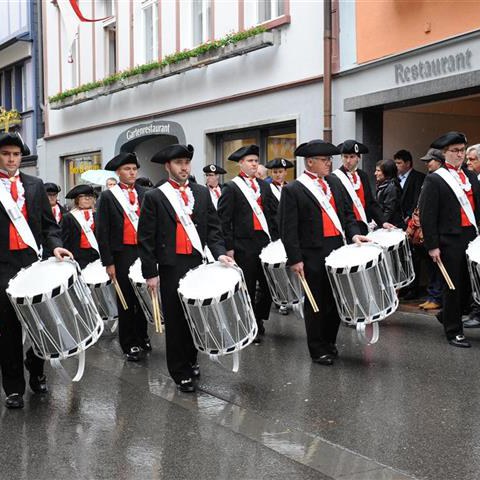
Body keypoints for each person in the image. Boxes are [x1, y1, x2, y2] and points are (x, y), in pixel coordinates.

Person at [138, 144, 234, 393]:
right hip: (171, 266)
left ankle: (191, 360)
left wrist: (220, 253)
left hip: (197, 262)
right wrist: (150, 273)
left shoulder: (201, 193)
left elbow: (214, 229)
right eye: (179, 163)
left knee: (195, 315)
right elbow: (146, 239)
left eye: (187, 163)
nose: (184, 167)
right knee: (176, 320)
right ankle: (179, 371)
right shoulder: (155, 196)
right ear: (168, 166)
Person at [279, 139, 368, 366]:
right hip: (311, 253)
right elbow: (288, 228)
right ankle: (317, 348)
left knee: (335, 300)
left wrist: (354, 234)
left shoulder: (334, 184)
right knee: (316, 302)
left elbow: (347, 215)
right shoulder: (293, 190)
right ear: (310, 162)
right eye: (324, 160)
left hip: (337, 249)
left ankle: (330, 342)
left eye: (330, 159)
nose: (329, 163)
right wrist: (295, 258)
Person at [0, 132, 72, 409]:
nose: (11, 159)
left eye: (16, 155)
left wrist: (55, 246)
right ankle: (14, 388)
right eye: (6, 154)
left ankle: (38, 370)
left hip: (31, 263)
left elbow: (48, 225)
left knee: (40, 320)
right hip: (3, 266)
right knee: (8, 329)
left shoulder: (34, 185)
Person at [419, 131, 480, 348]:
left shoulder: (471, 177)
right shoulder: (435, 179)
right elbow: (427, 215)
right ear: (445, 153)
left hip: (471, 237)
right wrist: (432, 246)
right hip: (449, 240)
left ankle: (447, 315)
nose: (460, 155)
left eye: (462, 151)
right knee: (453, 286)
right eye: (455, 151)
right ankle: (454, 331)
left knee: (469, 286)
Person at [217, 145, 278, 343]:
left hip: (264, 242)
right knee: (248, 286)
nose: (254, 164)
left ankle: (259, 316)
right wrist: (229, 247)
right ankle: (250, 323)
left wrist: (277, 242)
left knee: (269, 284)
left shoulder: (265, 186)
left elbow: (273, 215)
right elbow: (223, 220)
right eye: (250, 161)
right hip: (243, 244)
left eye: (255, 161)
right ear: (241, 164)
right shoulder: (231, 187)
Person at [96, 152, 150, 361]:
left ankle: (143, 335)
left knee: (143, 296)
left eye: (134, 169)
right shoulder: (108, 196)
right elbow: (103, 231)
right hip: (122, 253)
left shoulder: (146, 193)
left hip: (142, 251)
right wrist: (108, 262)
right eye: (127, 169)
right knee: (126, 299)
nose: (132, 172)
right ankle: (129, 343)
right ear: (118, 173)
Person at [333, 140, 392, 235]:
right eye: (345, 157)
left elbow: (370, 202)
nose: (348, 161)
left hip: (363, 225)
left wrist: (383, 221)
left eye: (352, 157)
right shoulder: (335, 178)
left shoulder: (363, 175)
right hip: (347, 228)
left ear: (358, 158)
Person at [413, 149, 444, 311]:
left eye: (429, 161)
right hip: (427, 228)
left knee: (437, 266)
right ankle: (433, 295)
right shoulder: (430, 178)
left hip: (436, 230)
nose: (427, 164)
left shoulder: (439, 178)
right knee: (431, 266)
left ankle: (436, 296)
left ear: (439, 161)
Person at [61, 184, 99, 269]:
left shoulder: (99, 215)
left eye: (90, 196)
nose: (87, 198)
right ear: (77, 199)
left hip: (96, 255)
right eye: (83, 196)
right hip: (78, 257)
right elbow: (64, 240)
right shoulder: (68, 217)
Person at [394, 149, 425, 226]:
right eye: (395, 163)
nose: (396, 165)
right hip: (396, 220)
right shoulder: (394, 178)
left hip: (409, 219)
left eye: (399, 163)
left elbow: (417, 199)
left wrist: (409, 215)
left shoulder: (419, 177)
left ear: (408, 163)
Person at [374, 160, 403, 228]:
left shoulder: (392, 187)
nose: (375, 173)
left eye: (378, 171)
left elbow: (389, 210)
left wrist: (381, 223)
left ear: (386, 172)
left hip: (391, 226)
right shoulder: (383, 185)